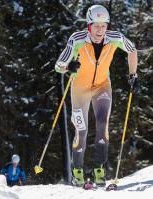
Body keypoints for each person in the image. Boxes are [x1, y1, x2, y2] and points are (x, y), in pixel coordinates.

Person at [55, 4, 139, 186]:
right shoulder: (77, 39)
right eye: (96, 25)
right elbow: (59, 64)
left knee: (102, 125)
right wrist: (68, 67)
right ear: (89, 25)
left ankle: (99, 171)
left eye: (104, 25)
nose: (100, 29)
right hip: (79, 90)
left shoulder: (115, 37)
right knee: (82, 130)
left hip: (102, 87)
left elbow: (132, 50)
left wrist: (133, 75)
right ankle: (77, 171)